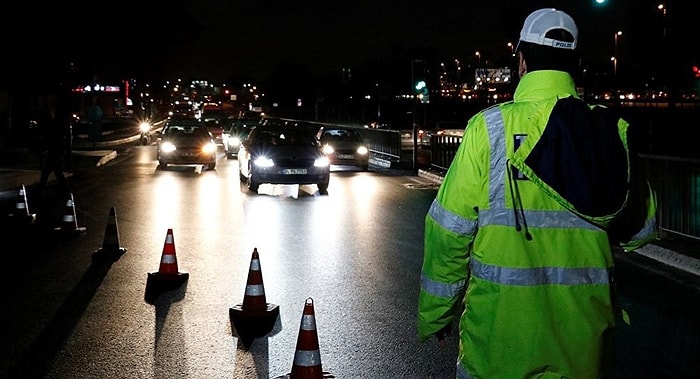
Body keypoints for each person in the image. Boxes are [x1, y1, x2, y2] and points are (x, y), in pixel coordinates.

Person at [417, 8, 658, 379]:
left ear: (522, 61)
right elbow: (640, 231)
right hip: (582, 349)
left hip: (497, 346)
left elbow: (448, 232)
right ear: (574, 64)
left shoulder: (490, 129)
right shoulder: (613, 131)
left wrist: (437, 315)